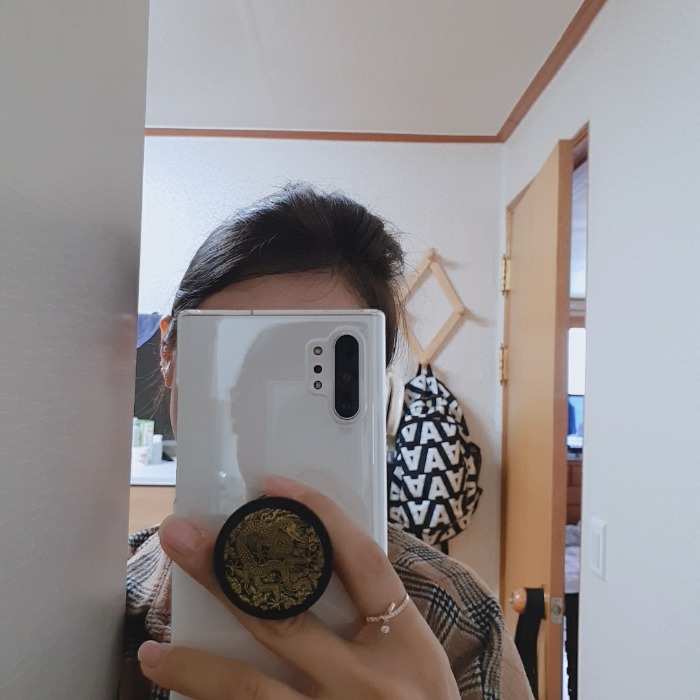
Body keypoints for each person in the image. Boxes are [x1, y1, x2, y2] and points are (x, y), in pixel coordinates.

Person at [121, 183, 533, 700]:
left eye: (304, 389)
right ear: (169, 354)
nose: (276, 411)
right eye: (248, 369)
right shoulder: (101, 602)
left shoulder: (461, 622)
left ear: (375, 393)